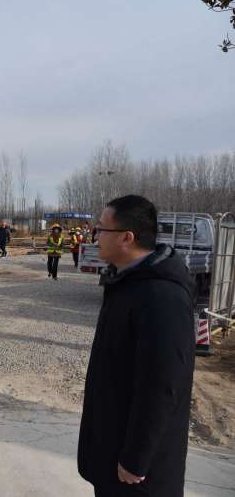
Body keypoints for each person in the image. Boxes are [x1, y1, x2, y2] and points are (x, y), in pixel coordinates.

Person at [78, 195, 195, 497]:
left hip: (139, 476)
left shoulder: (161, 297)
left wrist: (136, 458)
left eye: (101, 229)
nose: (95, 236)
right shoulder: (126, 282)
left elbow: (162, 387)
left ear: (126, 238)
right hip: (114, 448)